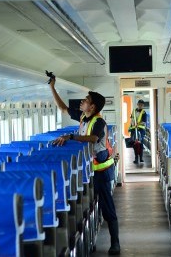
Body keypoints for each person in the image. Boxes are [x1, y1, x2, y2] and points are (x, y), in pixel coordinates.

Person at [49, 77, 121, 255]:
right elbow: (63, 108)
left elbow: (93, 139)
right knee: (89, 206)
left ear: (93, 107)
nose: (82, 102)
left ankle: (115, 243)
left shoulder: (99, 122)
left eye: (86, 100)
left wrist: (71, 137)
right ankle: (90, 239)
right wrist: (52, 87)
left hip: (102, 171)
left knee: (107, 208)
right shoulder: (82, 117)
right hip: (86, 171)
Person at [128, 99, 147, 164]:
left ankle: (141, 158)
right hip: (134, 128)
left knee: (140, 143)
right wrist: (133, 124)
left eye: (142, 105)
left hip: (141, 129)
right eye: (139, 104)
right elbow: (132, 119)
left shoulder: (144, 112)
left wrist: (138, 124)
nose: (140, 106)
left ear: (143, 105)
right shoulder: (134, 111)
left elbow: (144, 122)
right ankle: (136, 158)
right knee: (134, 143)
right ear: (137, 104)